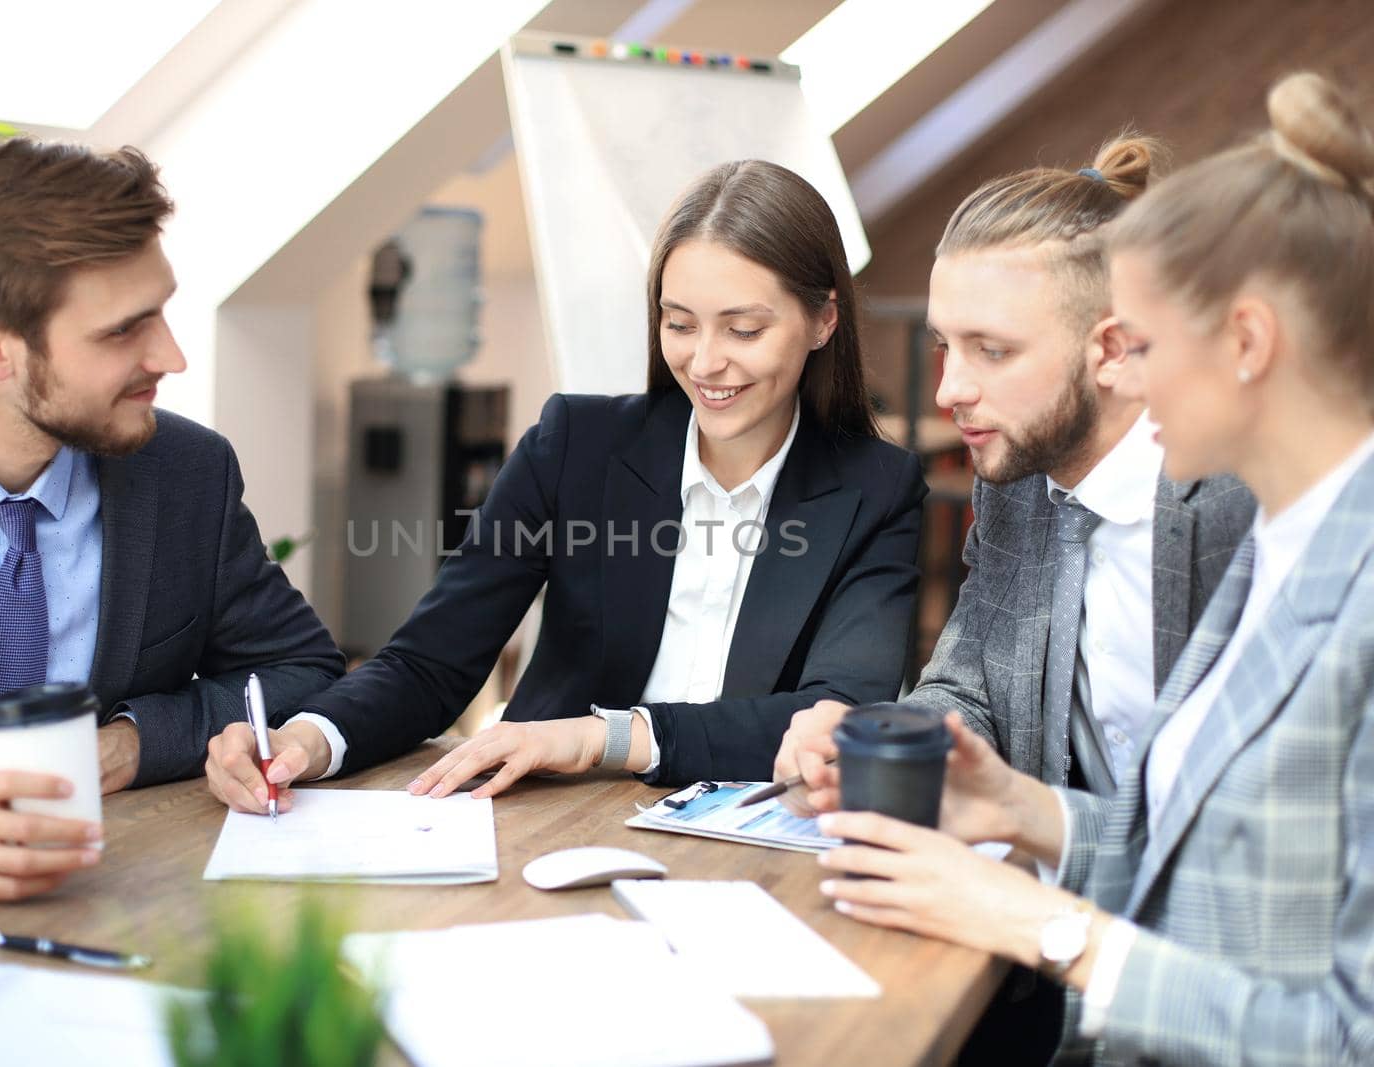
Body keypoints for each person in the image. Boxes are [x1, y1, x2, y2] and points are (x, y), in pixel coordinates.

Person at [816, 72, 1374, 1065]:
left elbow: (1345, 1027)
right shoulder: (1292, 542)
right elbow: (1212, 873)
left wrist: (1045, 927)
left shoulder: (1279, 537)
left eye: (1141, 342)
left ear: (1247, 341)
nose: (1124, 372)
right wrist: (1018, 810)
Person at [204, 160, 927, 811]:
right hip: (553, 818)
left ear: (824, 318)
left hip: (753, 836)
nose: (706, 362)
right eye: (679, 324)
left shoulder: (878, 489)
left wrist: (602, 736)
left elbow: (837, 713)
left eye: (743, 330)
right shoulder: (575, 445)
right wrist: (306, 739)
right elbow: (429, 662)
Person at [0, 138, 344, 902]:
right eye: (121, 331)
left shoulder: (186, 473)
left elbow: (303, 671)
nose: (171, 357)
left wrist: (132, 743)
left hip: (108, 909)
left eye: (162, 312)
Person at [772, 135, 1254, 812]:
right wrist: (877, 739)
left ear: (1112, 349)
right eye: (946, 347)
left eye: (992, 351)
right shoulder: (1018, 485)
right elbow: (969, 688)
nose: (949, 390)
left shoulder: (1244, 500)